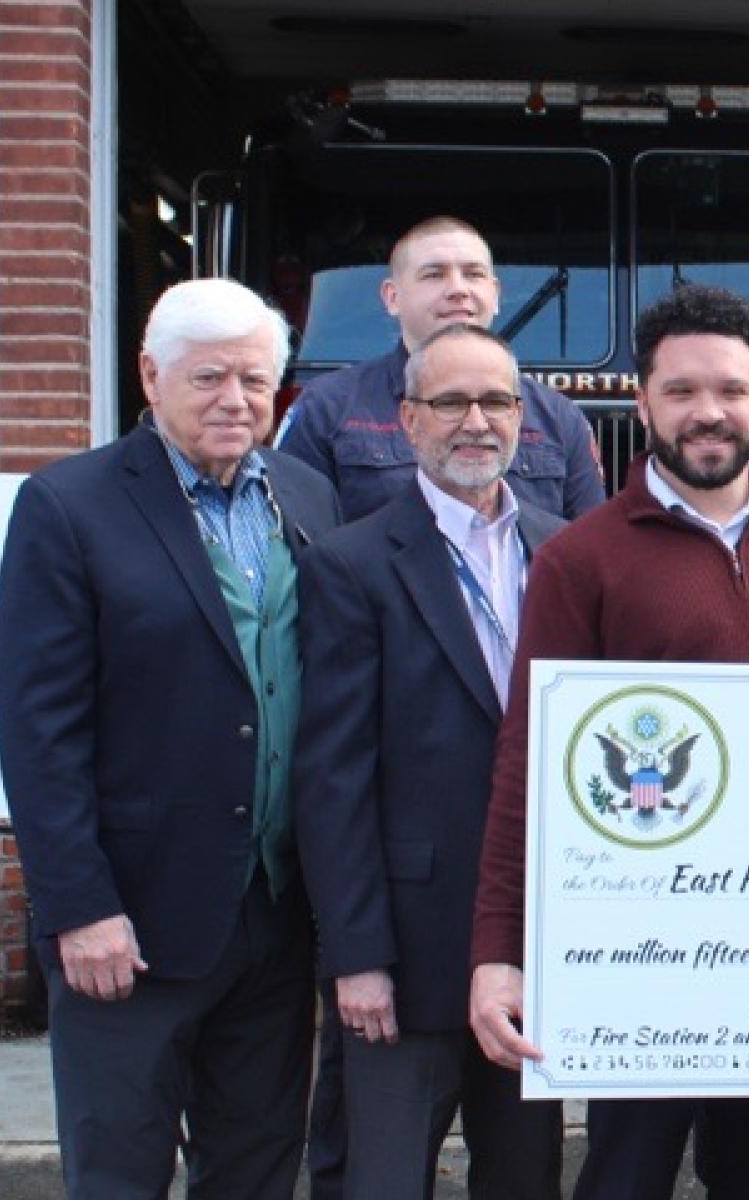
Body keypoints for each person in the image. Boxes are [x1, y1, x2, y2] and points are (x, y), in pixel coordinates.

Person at [465, 283, 749, 1200]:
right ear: (642, 403)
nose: (710, 413)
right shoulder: (582, 559)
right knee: (625, 1172)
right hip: (634, 946)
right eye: (682, 391)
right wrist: (500, 950)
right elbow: (528, 761)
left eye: (732, 391)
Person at [0, 278, 342, 1197]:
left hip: (273, 913)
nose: (236, 400)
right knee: (120, 1170)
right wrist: (78, 908)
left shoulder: (305, 497)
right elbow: (38, 732)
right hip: (130, 923)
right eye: (210, 377)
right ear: (151, 376)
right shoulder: (69, 507)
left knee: (258, 1166)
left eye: (256, 381)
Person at [292, 324, 568, 1199]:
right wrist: (356, 955)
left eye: (496, 401)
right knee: (382, 1179)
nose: (476, 421)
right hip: (405, 955)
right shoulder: (352, 563)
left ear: (523, 418)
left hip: (538, 943)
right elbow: (331, 778)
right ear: (408, 420)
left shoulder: (566, 553)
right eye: (451, 401)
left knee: (525, 1179)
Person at [276, 215, 606, 522]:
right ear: (392, 297)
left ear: (495, 295)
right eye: (434, 274)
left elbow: (589, 548)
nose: (458, 289)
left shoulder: (559, 417)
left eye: (473, 274)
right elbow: (299, 543)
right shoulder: (325, 409)